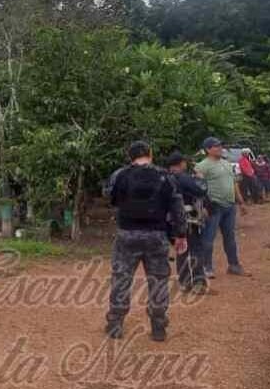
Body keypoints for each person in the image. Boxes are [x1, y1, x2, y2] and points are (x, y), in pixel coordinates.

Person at [105, 141, 187, 342]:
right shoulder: (166, 177)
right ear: (150, 154)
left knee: (121, 279)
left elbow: (110, 197)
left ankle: (115, 324)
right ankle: (158, 327)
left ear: (129, 156)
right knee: (158, 280)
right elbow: (177, 207)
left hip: (127, 235)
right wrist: (180, 234)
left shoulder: (119, 175)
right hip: (156, 236)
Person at [195, 137, 249, 278]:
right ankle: (206, 267)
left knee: (230, 237)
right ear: (208, 149)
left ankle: (234, 265)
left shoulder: (226, 163)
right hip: (214, 206)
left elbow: (234, 183)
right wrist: (204, 207)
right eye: (216, 146)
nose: (220, 148)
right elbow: (199, 188)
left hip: (230, 206)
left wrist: (241, 202)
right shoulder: (202, 166)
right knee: (208, 238)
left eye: (220, 145)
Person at [166, 152, 209, 294]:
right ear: (181, 163)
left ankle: (184, 283)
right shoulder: (184, 178)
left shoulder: (165, 178)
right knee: (196, 250)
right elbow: (201, 190)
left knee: (181, 251)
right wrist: (201, 180)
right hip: (188, 220)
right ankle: (198, 283)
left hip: (172, 221)